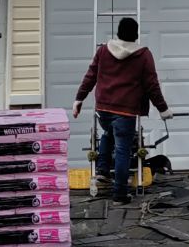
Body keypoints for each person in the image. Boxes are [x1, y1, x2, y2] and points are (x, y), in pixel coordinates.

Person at [72, 17, 172, 203]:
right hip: (125, 110)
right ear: (135, 33)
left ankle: (102, 170)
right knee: (122, 150)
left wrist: (79, 99)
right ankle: (119, 193)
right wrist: (163, 109)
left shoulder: (103, 50)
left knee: (108, 133)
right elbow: (152, 85)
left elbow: (90, 76)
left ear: (118, 32)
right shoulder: (143, 55)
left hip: (103, 107)